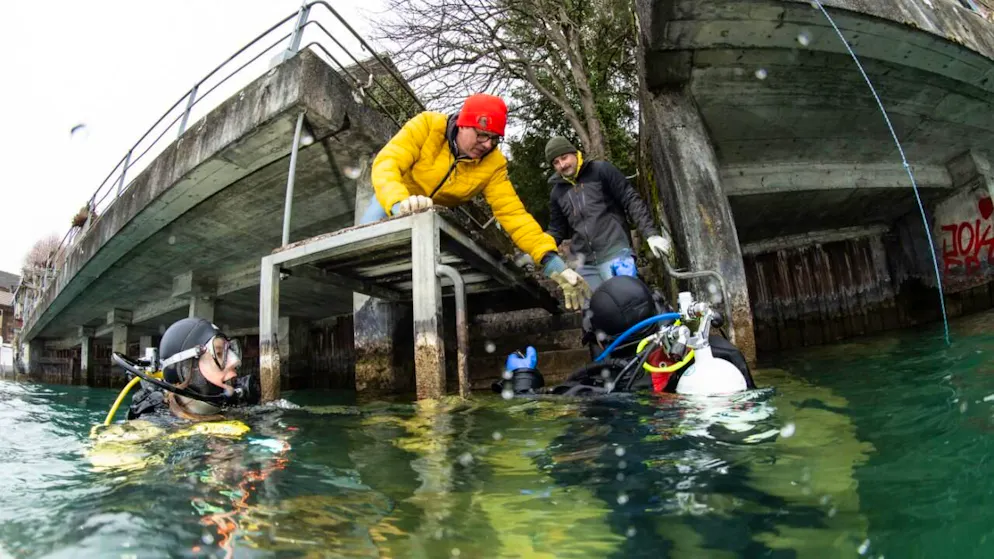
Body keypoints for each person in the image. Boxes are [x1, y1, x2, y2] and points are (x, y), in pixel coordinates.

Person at [361, 93, 591, 310]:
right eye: (482, 135)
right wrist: (400, 202)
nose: (488, 145)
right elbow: (387, 163)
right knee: (365, 249)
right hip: (396, 200)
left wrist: (551, 261)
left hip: (437, 214)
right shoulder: (427, 125)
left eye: (494, 139)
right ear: (463, 123)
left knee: (427, 268)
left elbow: (513, 214)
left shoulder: (494, 164)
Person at [495, 275, 755, 397]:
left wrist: (522, 378)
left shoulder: (605, 388)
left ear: (601, 340)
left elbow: (530, 403)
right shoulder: (721, 352)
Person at [544, 136, 672, 291]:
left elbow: (630, 199)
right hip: (584, 265)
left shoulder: (601, 170)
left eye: (564, 157)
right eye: (556, 162)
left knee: (628, 302)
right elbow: (557, 229)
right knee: (600, 312)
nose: (562, 165)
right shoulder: (556, 193)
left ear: (574, 153)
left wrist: (650, 233)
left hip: (616, 254)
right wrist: (541, 251)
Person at [126, 317, 259, 422]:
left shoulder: (237, 407)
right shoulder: (151, 424)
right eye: (219, 353)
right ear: (186, 368)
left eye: (231, 351)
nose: (235, 361)